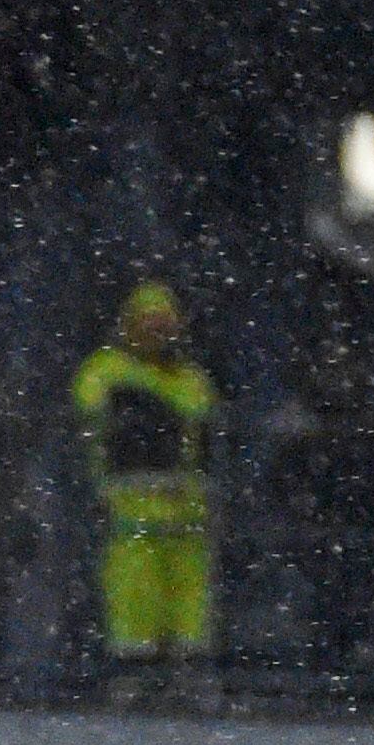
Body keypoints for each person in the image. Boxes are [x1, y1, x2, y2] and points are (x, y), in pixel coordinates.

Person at [71, 285, 216, 676]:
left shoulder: (191, 377)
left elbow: (202, 437)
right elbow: (92, 416)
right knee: (131, 599)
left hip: (185, 516)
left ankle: (185, 673)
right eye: (148, 323)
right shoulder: (106, 369)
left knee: (189, 606)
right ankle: (132, 676)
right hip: (129, 515)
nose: (157, 332)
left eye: (164, 324)